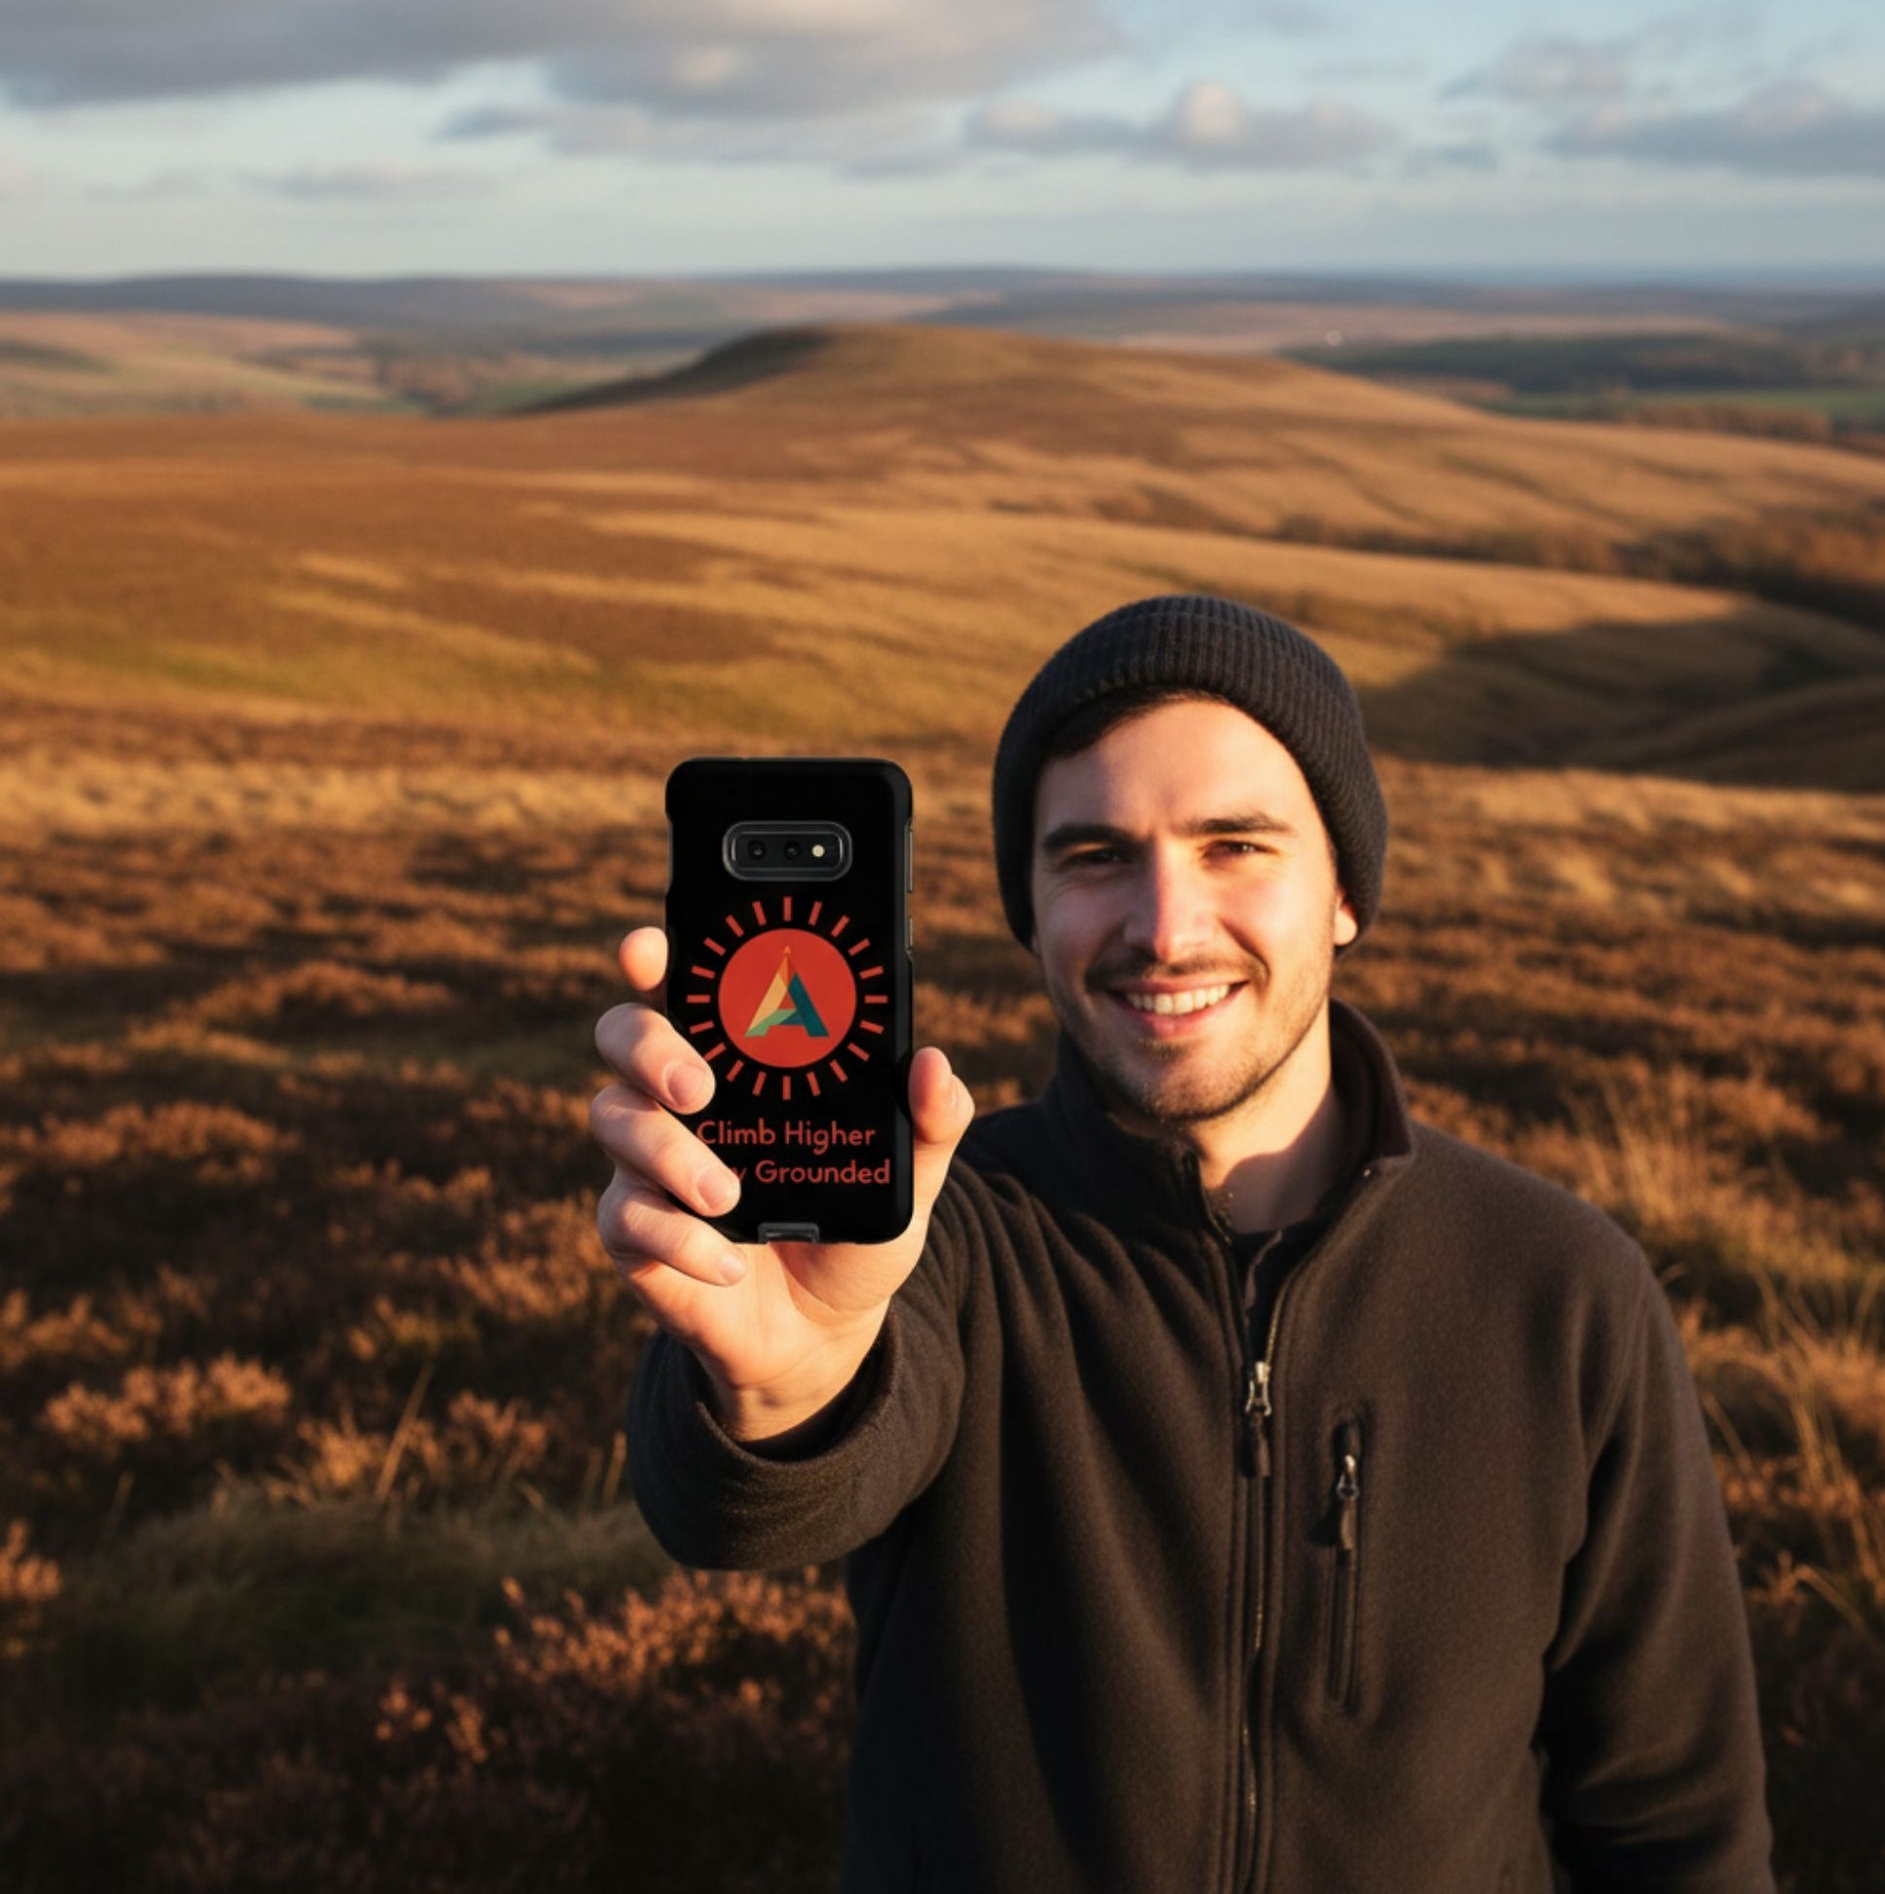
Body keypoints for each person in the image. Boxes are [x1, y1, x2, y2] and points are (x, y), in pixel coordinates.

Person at [590, 593, 1777, 1894]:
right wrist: (778, 1381)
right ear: (1028, 911)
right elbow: (750, 1500)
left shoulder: (1557, 1292)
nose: (1164, 924)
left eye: (1235, 845)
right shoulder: (939, 1246)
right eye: (1093, 854)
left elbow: (1671, 1823)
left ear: (1344, 892)